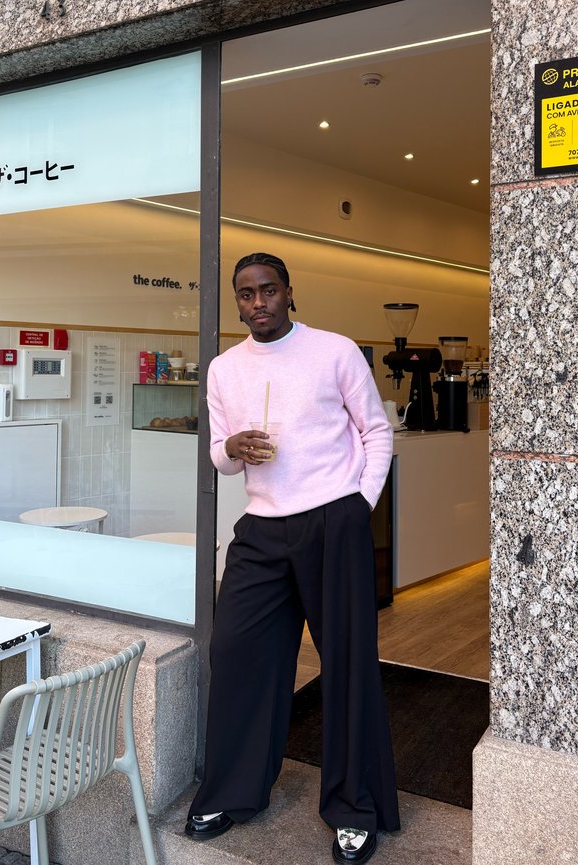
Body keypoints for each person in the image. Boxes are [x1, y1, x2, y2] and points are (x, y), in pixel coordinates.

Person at [185, 252, 400, 864]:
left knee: (349, 665)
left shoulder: (335, 351)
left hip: (334, 520)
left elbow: (375, 431)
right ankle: (233, 791)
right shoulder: (224, 369)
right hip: (262, 526)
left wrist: (359, 504)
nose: (258, 304)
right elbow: (223, 460)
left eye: (268, 291)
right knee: (237, 653)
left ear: (288, 292)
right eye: (246, 295)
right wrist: (231, 445)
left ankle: (354, 808)